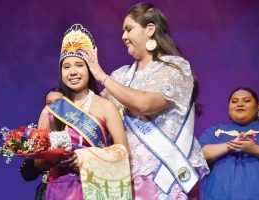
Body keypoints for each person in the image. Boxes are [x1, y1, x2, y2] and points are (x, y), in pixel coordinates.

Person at [83, 2, 209, 199]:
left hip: (166, 175)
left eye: (129, 29)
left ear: (150, 29)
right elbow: (94, 116)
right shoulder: (120, 76)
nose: (123, 36)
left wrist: (101, 76)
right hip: (128, 176)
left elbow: (145, 104)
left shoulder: (175, 69)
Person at [36, 24, 129, 200]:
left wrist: (85, 158)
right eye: (66, 67)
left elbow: (124, 152)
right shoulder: (50, 112)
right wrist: (55, 156)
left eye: (79, 65)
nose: (73, 72)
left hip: (96, 188)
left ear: (89, 69)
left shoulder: (106, 106)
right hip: (59, 189)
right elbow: (38, 162)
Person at [199, 87, 259, 200]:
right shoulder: (215, 131)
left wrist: (254, 149)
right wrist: (231, 145)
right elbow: (199, 156)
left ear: (257, 107)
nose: (240, 104)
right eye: (234, 101)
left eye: (246, 100)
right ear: (228, 108)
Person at [19, 87, 63, 200]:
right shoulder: (38, 134)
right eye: (49, 104)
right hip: (47, 191)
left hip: (74, 189)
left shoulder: (78, 133)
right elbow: (28, 175)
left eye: (59, 102)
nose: (53, 107)